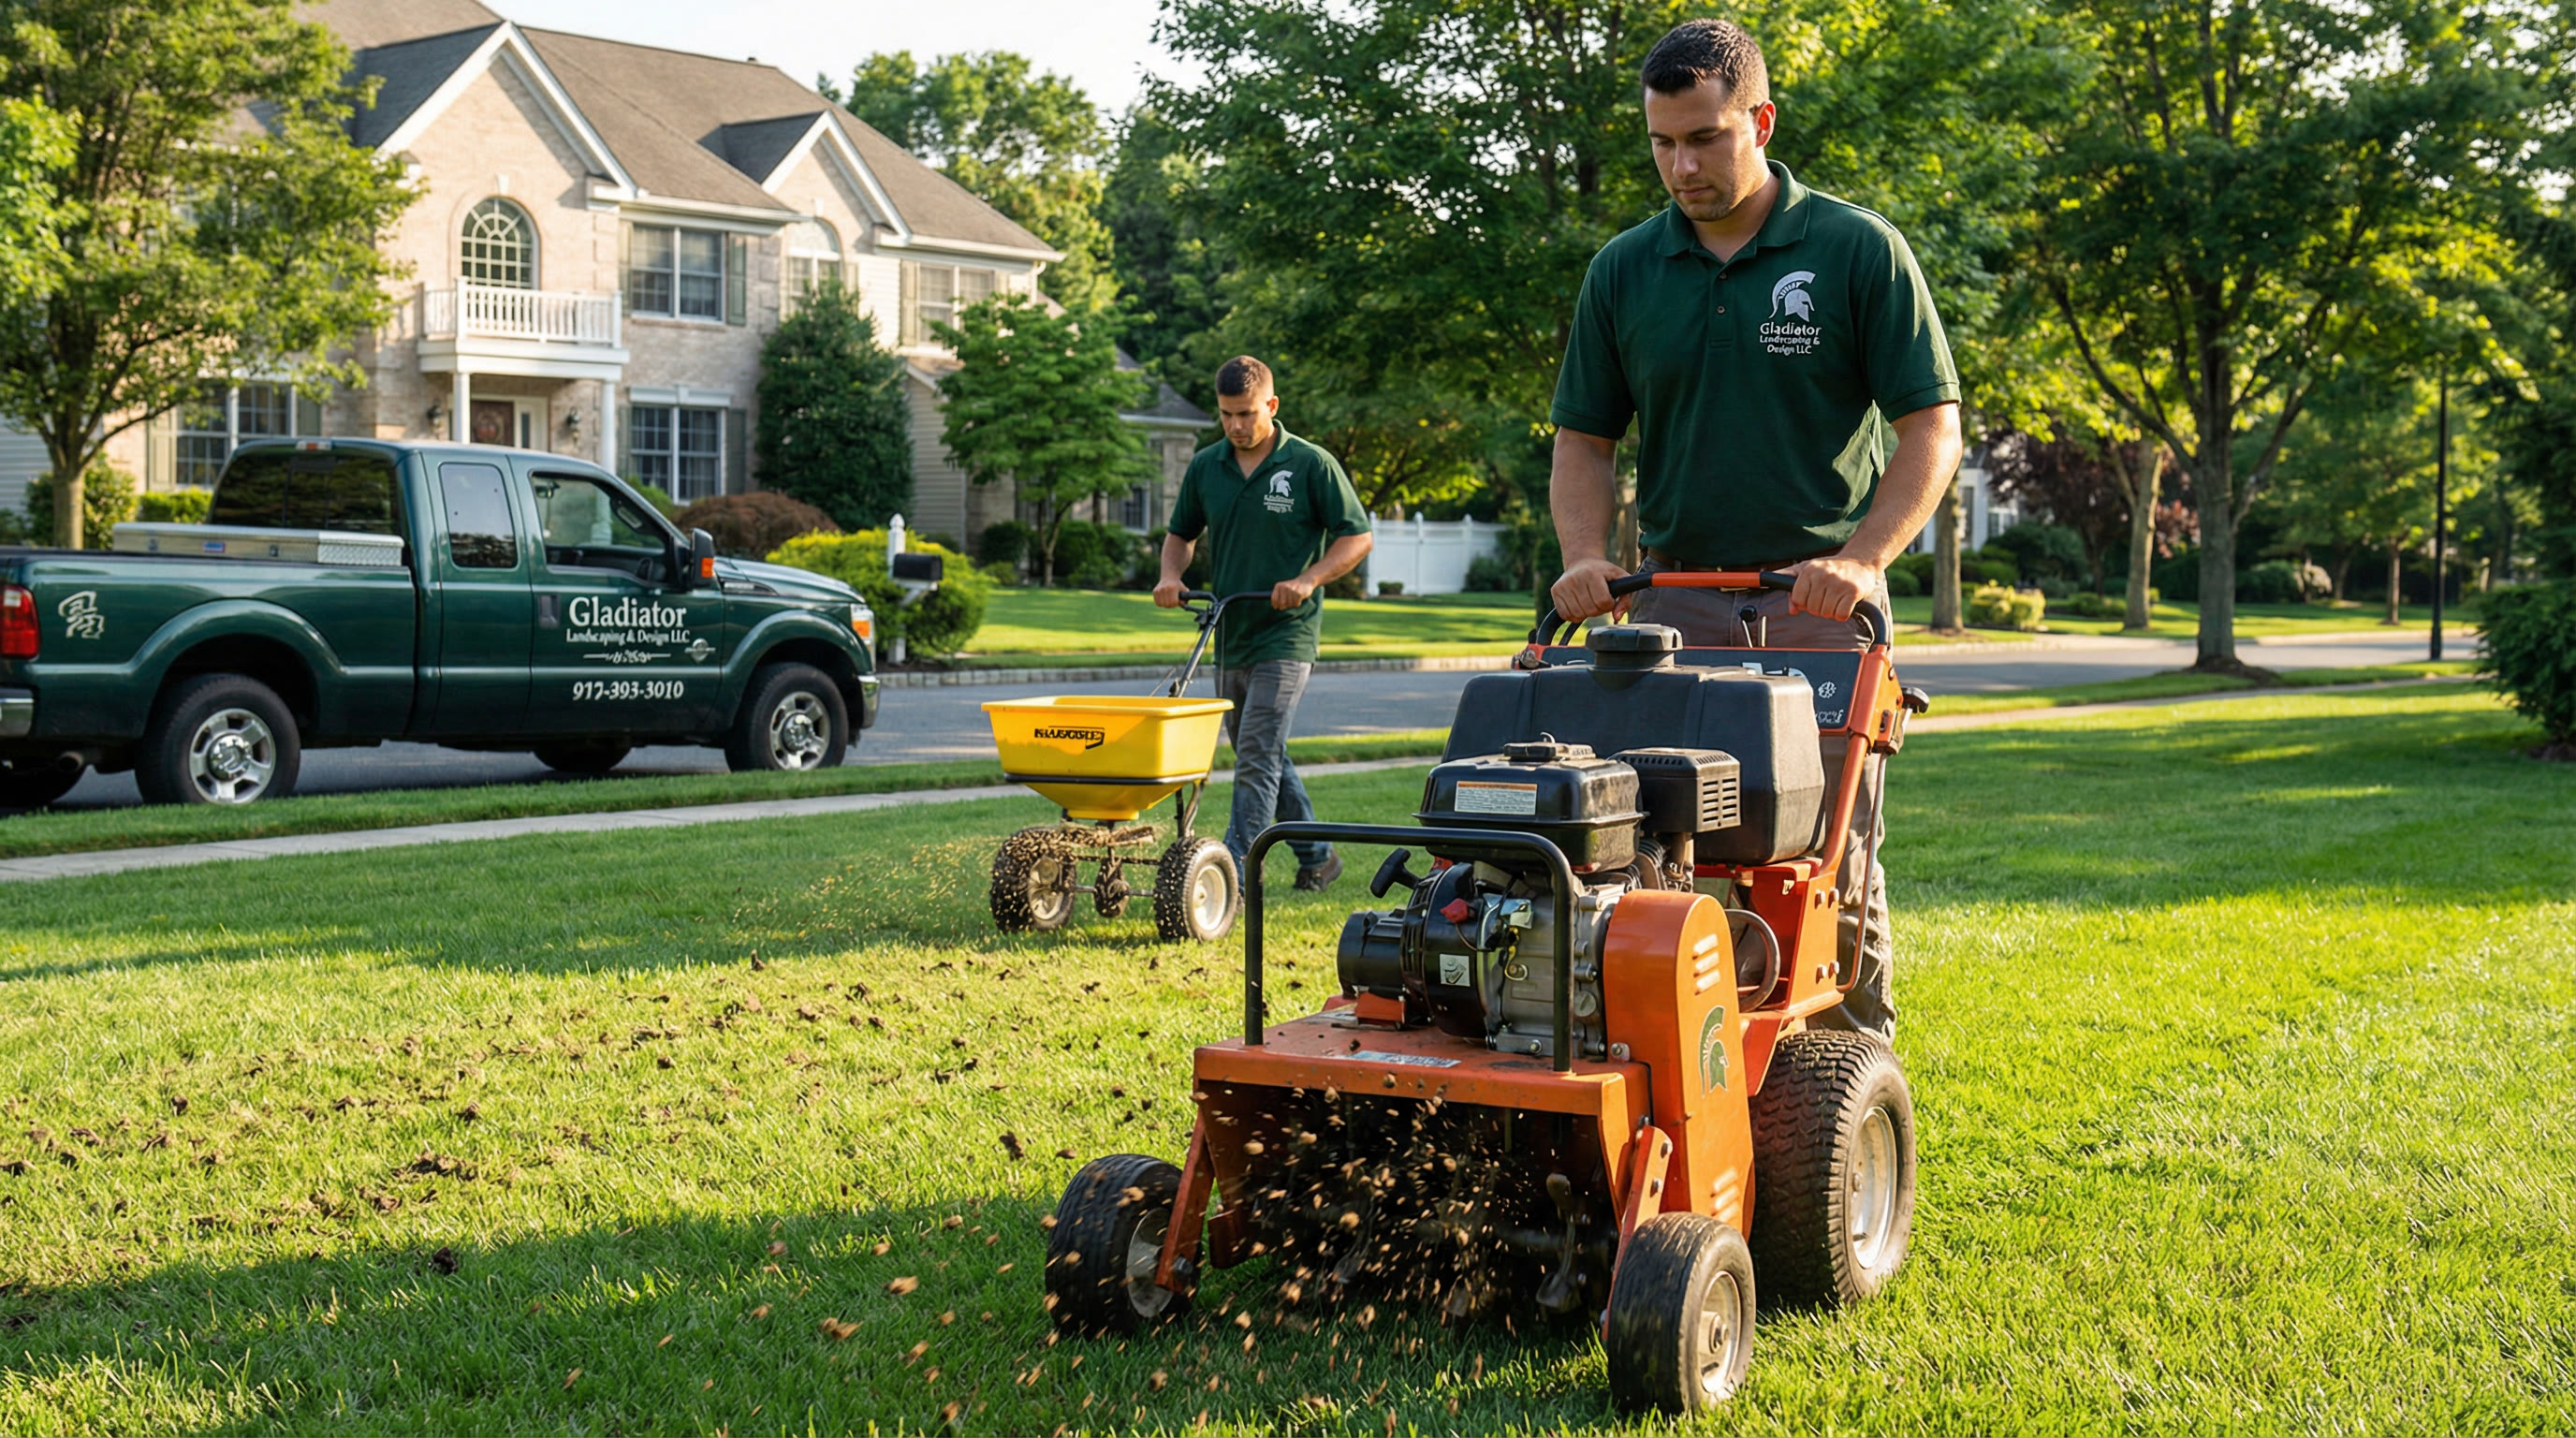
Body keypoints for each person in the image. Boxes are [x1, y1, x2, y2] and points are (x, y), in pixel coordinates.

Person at [1545, 19, 1964, 1039]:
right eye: (1661, 143)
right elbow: (1584, 441)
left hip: (1816, 608)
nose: (1680, 165)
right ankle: (1696, 1070)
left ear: (1761, 121)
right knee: (1663, 850)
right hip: (1672, 607)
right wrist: (1586, 559)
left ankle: (1850, 1078)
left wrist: (1861, 560)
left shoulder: (1855, 251)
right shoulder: (1624, 269)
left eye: (1705, 138)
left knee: (1828, 864)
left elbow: (1931, 428)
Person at [1155, 356, 1374, 890]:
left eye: (1246, 414)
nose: (1235, 426)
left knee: (1256, 750)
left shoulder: (1309, 464)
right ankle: (1318, 856)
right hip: (1230, 629)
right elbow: (1181, 535)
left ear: (1272, 407)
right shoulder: (1208, 465)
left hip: (1288, 632)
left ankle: (1234, 871)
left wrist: (1309, 579)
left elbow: (1356, 536)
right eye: (1226, 415)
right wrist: (1169, 576)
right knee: (1261, 748)